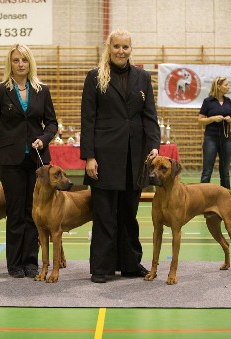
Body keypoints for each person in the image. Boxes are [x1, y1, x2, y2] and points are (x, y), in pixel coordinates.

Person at [80, 29, 160, 283]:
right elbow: (88, 119)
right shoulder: (94, 77)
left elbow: (150, 116)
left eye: (126, 47)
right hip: (104, 157)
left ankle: (129, 263)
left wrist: (154, 145)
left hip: (134, 159)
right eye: (117, 46)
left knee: (129, 214)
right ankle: (101, 268)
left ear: (131, 49)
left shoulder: (143, 77)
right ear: (108, 47)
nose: (121, 51)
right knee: (104, 214)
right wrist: (89, 156)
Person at [0, 44, 58, 279]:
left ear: (30, 62)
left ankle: (31, 261)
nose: (20, 64)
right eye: (16, 60)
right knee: (15, 212)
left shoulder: (41, 91)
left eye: (24, 59)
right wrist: (8, 137)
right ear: (10, 64)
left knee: (33, 213)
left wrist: (43, 140)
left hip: (37, 161)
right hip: (11, 161)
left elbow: (52, 124)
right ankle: (14, 264)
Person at [198, 76, 231, 189]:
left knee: (225, 172)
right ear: (218, 86)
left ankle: (226, 197)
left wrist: (230, 119)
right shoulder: (208, 101)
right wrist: (213, 118)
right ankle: (202, 197)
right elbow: (200, 120)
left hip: (226, 139)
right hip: (211, 139)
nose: (228, 87)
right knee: (207, 171)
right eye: (226, 85)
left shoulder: (228, 101)